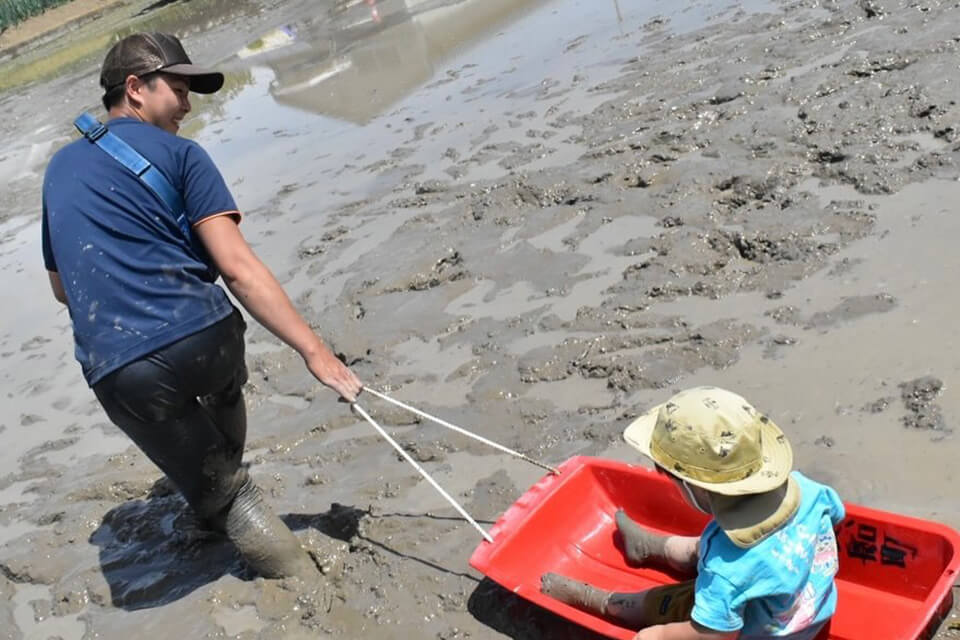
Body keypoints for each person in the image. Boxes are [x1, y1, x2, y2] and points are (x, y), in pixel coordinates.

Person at [41, 32, 363, 579]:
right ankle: (238, 511)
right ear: (136, 89)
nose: (188, 104)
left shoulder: (58, 171)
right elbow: (236, 268)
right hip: (208, 333)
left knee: (231, 496)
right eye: (179, 89)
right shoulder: (183, 154)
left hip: (124, 364)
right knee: (221, 386)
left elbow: (62, 290)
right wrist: (314, 352)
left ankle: (262, 543)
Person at [541, 387, 845, 640]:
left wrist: (655, 636)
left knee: (673, 602)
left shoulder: (725, 569)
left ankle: (604, 601)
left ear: (692, 487)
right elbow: (837, 520)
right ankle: (650, 546)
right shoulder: (808, 489)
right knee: (716, 549)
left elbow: (712, 635)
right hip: (812, 608)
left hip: (760, 631)